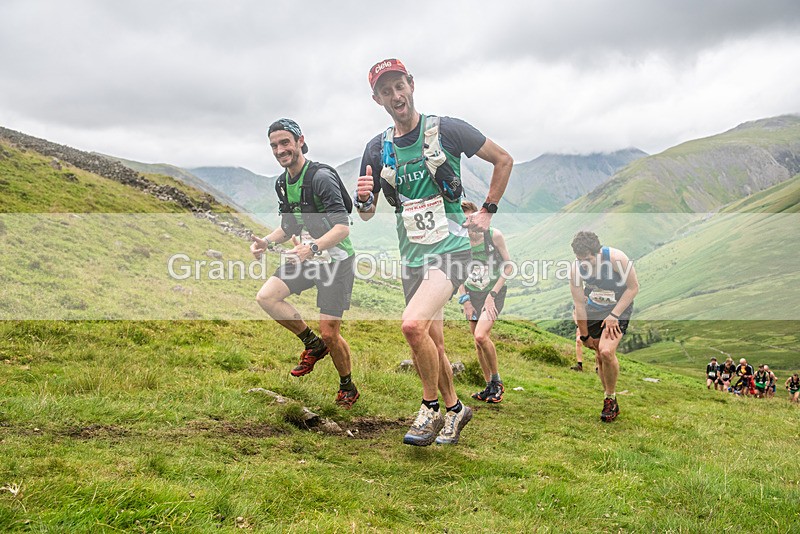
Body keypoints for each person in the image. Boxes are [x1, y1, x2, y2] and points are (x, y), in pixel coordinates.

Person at [355, 58, 513, 445]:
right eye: (386, 91)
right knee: (434, 341)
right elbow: (368, 213)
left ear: (411, 84)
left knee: (412, 326)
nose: (396, 95)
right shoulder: (377, 148)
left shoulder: (448, 130)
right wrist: (361, 200)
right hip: (413, 255)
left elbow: (503, 159)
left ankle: (429, 409)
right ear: (377, 99)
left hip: (454, 250)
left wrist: (488, 211)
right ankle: (457, 410)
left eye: (399, 86)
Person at [251, 119, 360, 409]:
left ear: (300, 141)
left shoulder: (321, 178)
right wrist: (266, 242)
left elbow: (342, 228)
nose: (279, 149)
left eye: (285, 142)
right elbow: (287, 228)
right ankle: (312, 344)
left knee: (331, 332)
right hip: (306, 256)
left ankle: (347, 386)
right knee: (266, 297)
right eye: (274, 145)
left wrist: (310, 247)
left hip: (336, 261)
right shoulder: (282, 184)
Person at [569, 231, 639, 422]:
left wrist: (614, 315)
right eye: (579, 259)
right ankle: (611, 399)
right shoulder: (576, 270)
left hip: (619, 307)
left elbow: (633, 288)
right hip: (594, 308)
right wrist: (584, 336)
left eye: (588, 259)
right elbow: (579, 305)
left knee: (607, 352)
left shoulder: (617, 259)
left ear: (597, 253)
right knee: (599, 354)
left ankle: (609, 398)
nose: (583, 263)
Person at [456, 201, 513, 403]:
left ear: (477, 216)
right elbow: (457, 272)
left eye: (470, 217)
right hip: (472, 294)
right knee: (477, 342)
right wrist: (465, 300)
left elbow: (508, 266)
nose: (467, 222)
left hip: (494, 293)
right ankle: (488, 386)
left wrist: (493, 295)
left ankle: (497, 382)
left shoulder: (493, 235)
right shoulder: (458, 241)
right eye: (462, 219)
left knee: (481, 336)